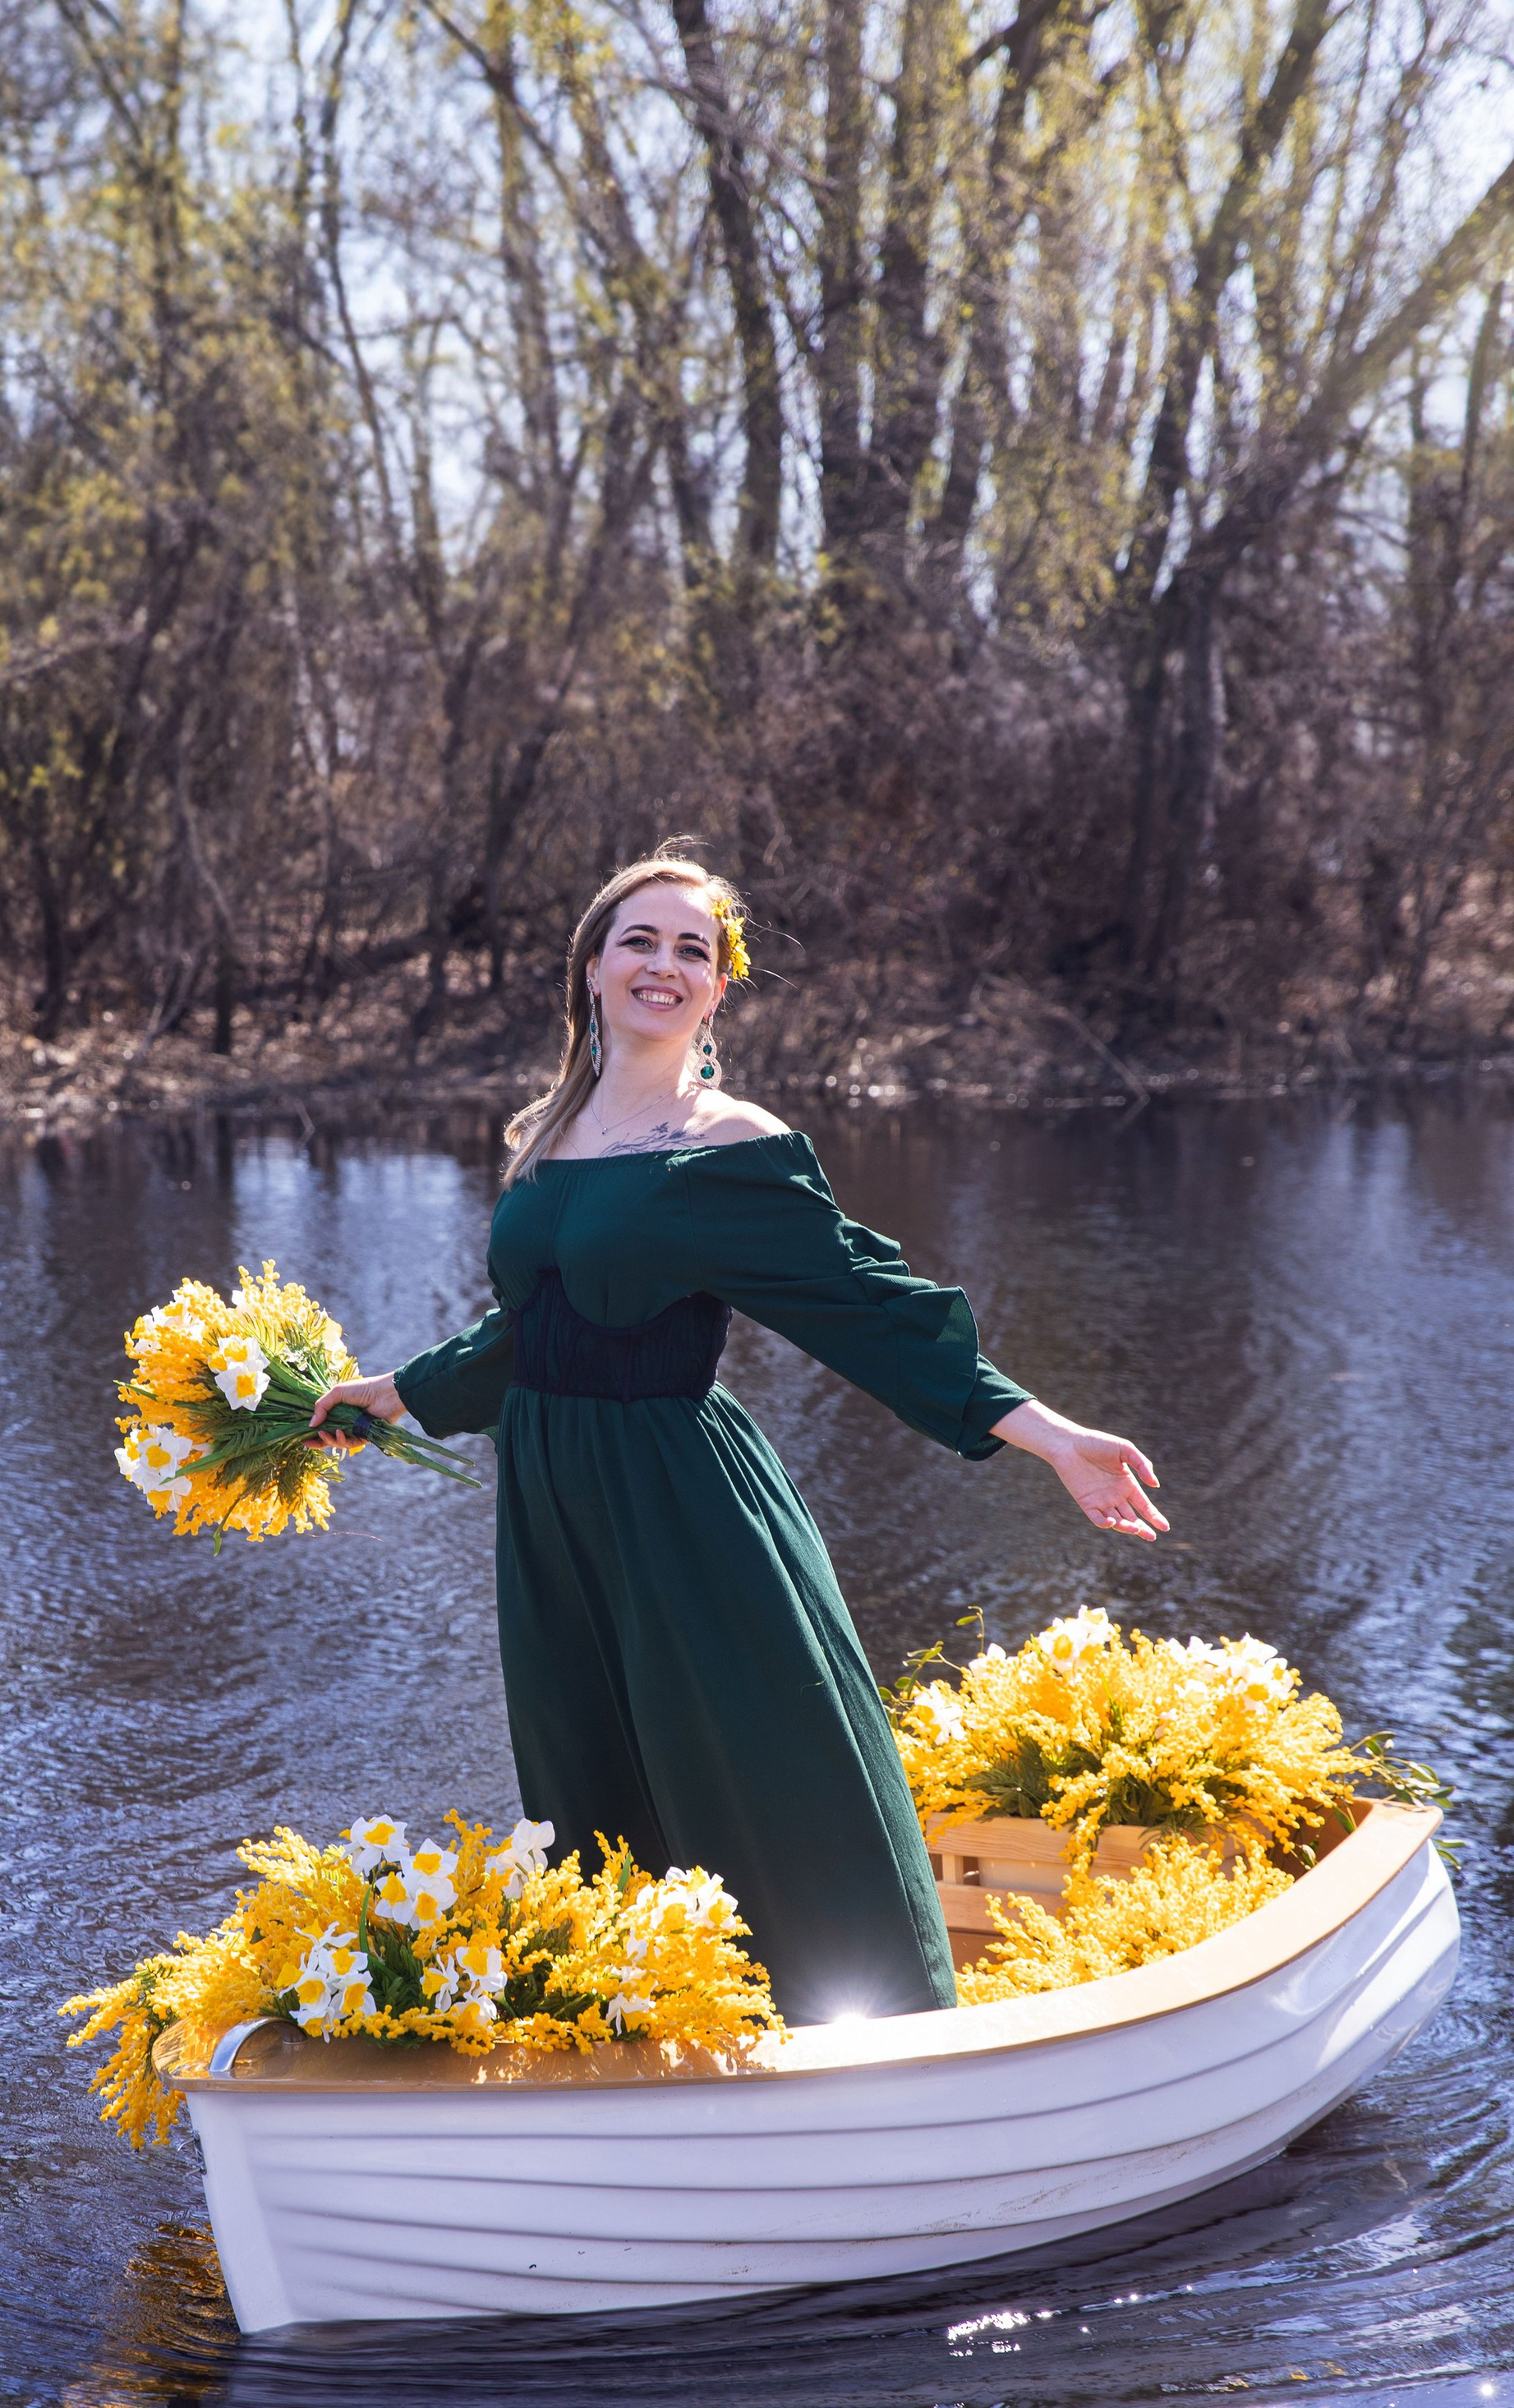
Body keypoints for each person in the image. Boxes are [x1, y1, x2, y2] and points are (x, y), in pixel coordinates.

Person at [311, 850, 1167, 2023]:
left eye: (693, 950)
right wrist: (401, 1392)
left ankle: (864, 2019)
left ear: (718, 989)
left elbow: (868, 1306)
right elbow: (536, 1331)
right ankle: (647, 2015)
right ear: (593, 967)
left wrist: (1052, 1435)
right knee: (592, 1765)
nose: (664, 965)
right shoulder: (551, 1133)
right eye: (640, 940)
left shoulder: (728, 1144)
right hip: (555, 1509)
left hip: (681, 1506)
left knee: (756, 1764)